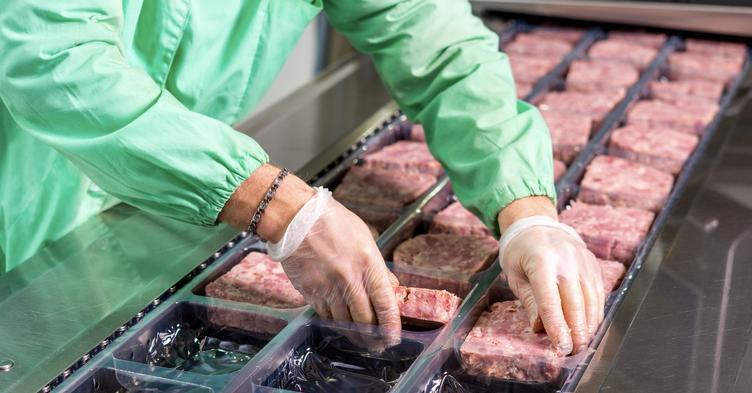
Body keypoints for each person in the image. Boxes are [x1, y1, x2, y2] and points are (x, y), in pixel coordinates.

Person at [0, 1, 603, 355]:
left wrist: (526, 211)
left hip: (148, 200)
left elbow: (442, 50)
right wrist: (282, 208)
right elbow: (57, 66)